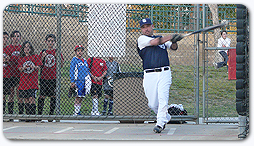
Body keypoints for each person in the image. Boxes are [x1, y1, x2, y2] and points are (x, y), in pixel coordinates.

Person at [137, 18, 182, 133]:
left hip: (164, 72)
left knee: (163, 98)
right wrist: (171, 36)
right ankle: (165, 117)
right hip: (149, 75)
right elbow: (156, 42)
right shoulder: (141, 39)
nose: (146, 29)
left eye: (148, 26)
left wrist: (175, 41)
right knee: (152, 104)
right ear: (141, 29)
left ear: (152, 26)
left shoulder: (161, 38)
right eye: (143, 27)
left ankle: (160, 123)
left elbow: (173, 48)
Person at [37, 34, 64, 116]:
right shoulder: (43, 52)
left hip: (53, 77)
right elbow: (39, 64)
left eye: (52, 41)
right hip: (44, 77)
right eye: (49, 41)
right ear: (46, 42)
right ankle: (39, 114)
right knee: (42, 95)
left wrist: (57, 57)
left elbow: (62, 64)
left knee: (53, 95)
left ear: (55, 42)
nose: (50, 43)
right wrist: (42, 57)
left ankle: (51, 114)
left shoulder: (56, 52)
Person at [18, 41, 42, 115]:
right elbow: (19, 68)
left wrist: (34, 67)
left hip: (32, 82)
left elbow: (39, 67)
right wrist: (23, 68)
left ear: (31, 48)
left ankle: (32, 115)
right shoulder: (21, 58)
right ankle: (27, 115)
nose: (27, 48)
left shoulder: (35, 57)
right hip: (24, 82)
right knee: (26, 99)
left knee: (32, 98)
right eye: (25, 47)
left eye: (28, 47)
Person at [70, 45, 91, 115]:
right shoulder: (74, 60)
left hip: (84, 81)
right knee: (77, 96)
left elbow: (87, 70)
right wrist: (72, 81)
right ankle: (76, 112)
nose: (80, 52)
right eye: (78, 51)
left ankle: (78, 111)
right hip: (78, 81)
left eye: (81, 51)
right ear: (75, 52)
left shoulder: (84, 60)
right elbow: (72, 70)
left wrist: (89, 77)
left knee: (82, 97)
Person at [7, 30, 22, 114]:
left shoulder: (21, 48)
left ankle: (20, 114)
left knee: (19, 94)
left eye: (18, 36)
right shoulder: (9, 48)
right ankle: (10, 114)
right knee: (11, 94)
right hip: (11, 74)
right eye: (14, 36)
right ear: (11, 38)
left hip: (19, 74)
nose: (16, 38)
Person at [3, 32, 11, 114]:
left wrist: (8, 60)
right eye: (3, 38)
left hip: (6, 75)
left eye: (6, 38)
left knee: (6, 95)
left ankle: (6, 113)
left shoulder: (9, 49)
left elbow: (10, 62)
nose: (5, 40)